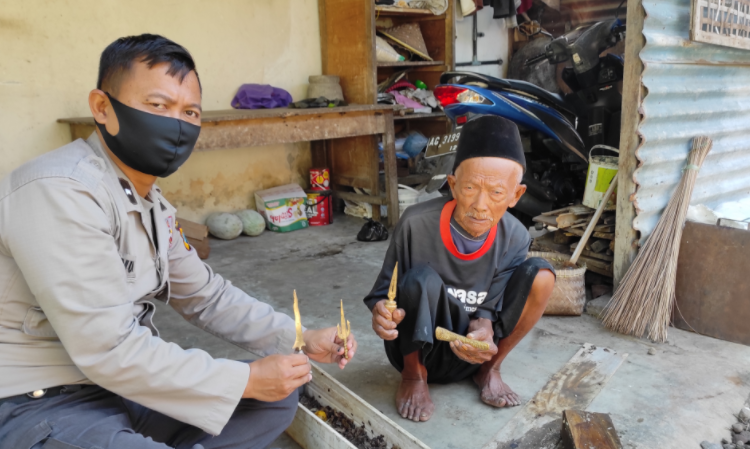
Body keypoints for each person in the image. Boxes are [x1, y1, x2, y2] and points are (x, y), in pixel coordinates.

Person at [0, 34, 357, 449]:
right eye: (158, 106)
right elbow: (109, 350)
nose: (177, 124)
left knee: (275, 400)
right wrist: (246, 379)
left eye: (190, 112)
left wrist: (301, 337)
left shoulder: (152, 205)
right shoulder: (59, 191)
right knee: (252, 386)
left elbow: (206, 296)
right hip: (41, 403)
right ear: (102, 108)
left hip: (123, 391)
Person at [364, 115, 555, 423]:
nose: (480, 204)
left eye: (496, 193)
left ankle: (489, 371)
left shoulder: (516, 236)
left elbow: (489, 311)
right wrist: (383, 312)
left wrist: (484, 330)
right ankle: (415, 378)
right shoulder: (416, 224)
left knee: (541, 276)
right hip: (414, 350)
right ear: (452, 184)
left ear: (515, 195)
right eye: (469, 187)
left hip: (472, 353)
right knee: (417, 279)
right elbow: (382, 294)